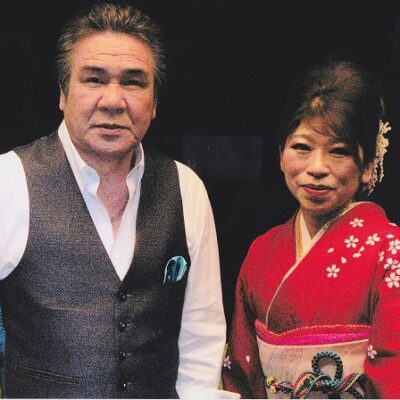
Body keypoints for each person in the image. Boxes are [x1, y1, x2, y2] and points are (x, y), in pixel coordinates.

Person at [0, 3, 229, 398]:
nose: (113, 100)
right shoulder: (10, 181)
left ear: (154, 103)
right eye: (94, 79)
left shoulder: (185, 187)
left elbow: (201, 337)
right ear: (62, 94)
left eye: (133, 82)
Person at [222, 60, 400, 398]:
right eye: (301, 147)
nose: (317, 168)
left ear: (367, 166)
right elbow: (244, 372)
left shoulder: (391, 252)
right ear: (281, 155)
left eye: (339, 152)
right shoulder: (262, 251)